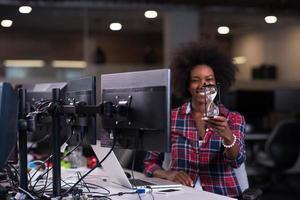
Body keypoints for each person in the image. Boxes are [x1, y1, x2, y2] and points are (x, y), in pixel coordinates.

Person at [144, 43, 246, 198]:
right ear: (187, 85)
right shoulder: (170, 118)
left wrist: (228, 136)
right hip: (181, 194)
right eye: (195, 80)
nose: (203, 84)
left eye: (209, 79)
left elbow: (236, 161)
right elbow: (149, 164)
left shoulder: (233, 119)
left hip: (220, 195)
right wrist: (167, 174)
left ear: (217, 83)